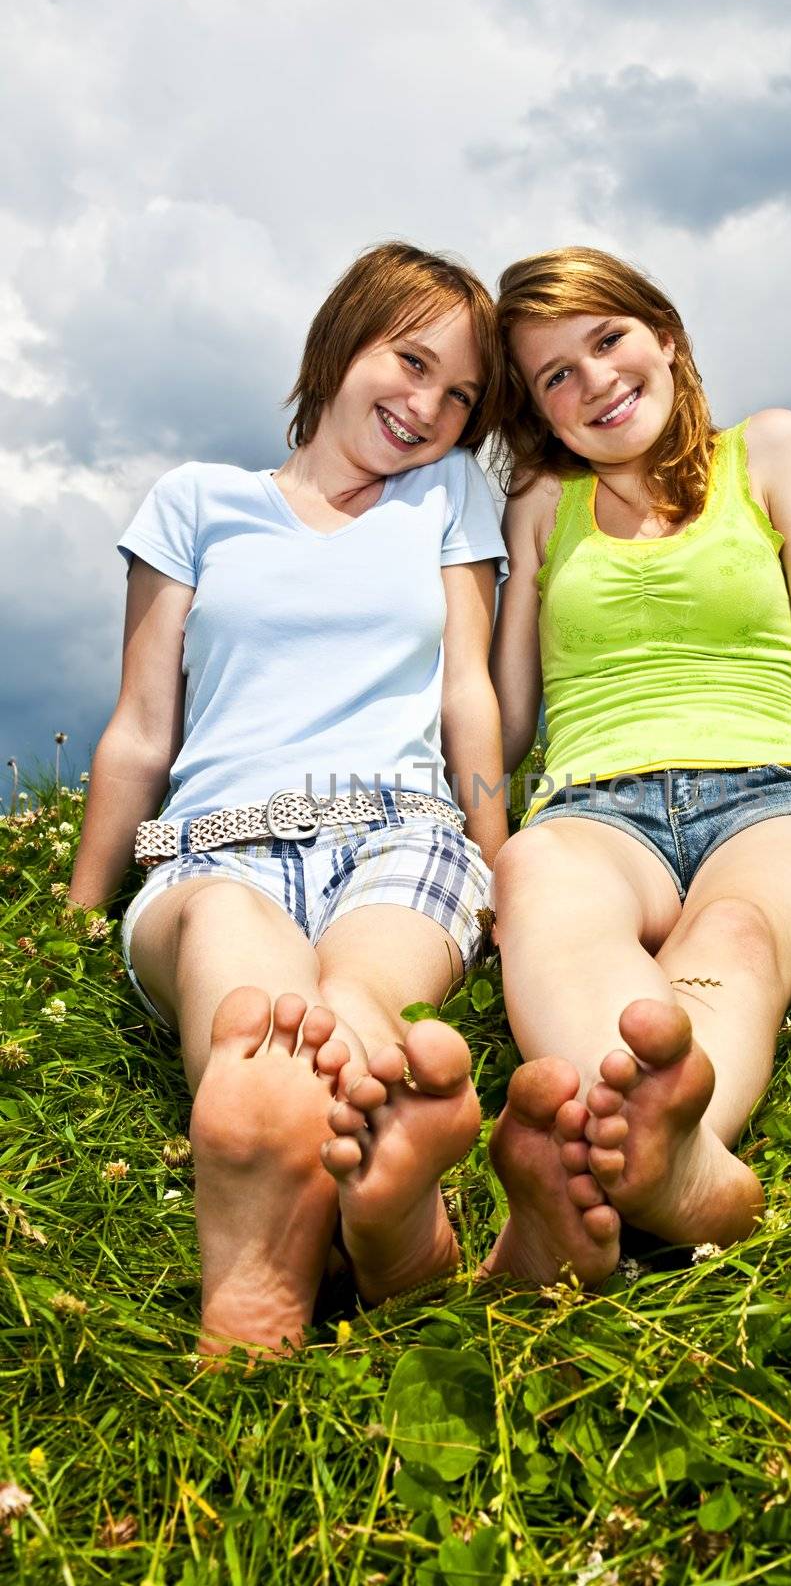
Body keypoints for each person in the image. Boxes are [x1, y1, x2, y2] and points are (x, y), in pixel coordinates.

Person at [69, 243, 521, 1355]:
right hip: (220, 844)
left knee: (360, 987)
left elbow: (469, 691)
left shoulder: (448, 498)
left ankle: (338, 1207)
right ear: (339, 344)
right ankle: (346, 1214)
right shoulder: (196, 504)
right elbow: (140, 722)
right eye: (409, 363)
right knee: (245, 980)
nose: (427, 407)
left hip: (401, 831)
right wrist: (80, 908)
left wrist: (499, 863)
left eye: (459, 394)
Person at [482, 247, 791, 1286]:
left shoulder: (771, 450)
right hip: (596, 807)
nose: (594, 379)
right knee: (539, 883)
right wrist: (456, 814)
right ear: (538, 414)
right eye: (556, 374)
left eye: (608, 340)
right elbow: (505, 716)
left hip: (781, 790)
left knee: (734, 929)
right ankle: (647, 1150)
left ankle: (673, 1141)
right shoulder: (537, 506)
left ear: (666, 337)